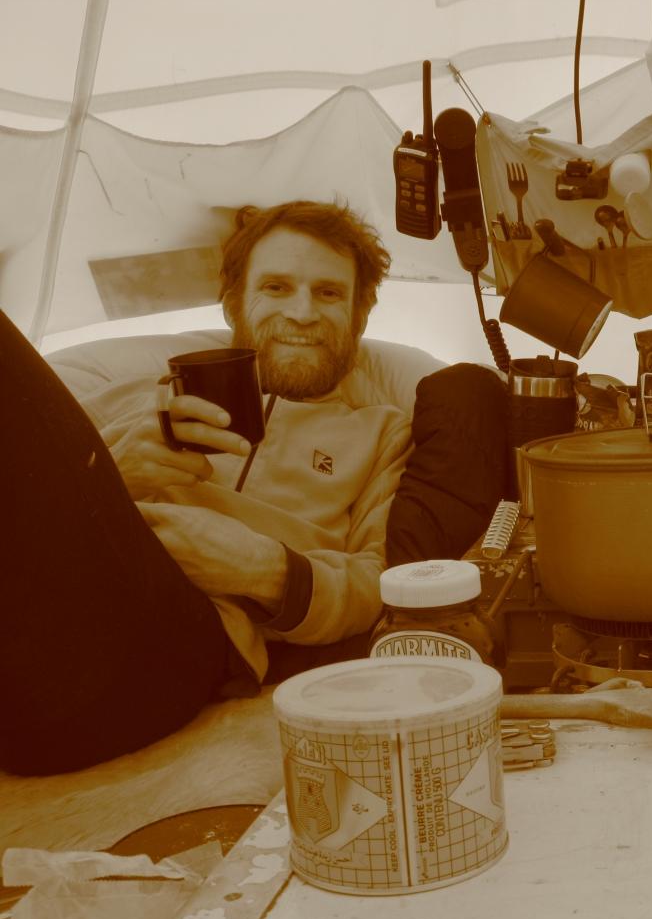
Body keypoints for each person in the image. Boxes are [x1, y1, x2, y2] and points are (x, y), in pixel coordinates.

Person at [0, 200, 505, 776]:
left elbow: (379, 587)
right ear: (235, 303)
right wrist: (111, 475)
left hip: (168, 648)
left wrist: (262, 567)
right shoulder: (136, 397)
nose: (302, 312)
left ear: (360, 319)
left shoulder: (383, 433)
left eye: (329, 294)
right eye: (277, 287)